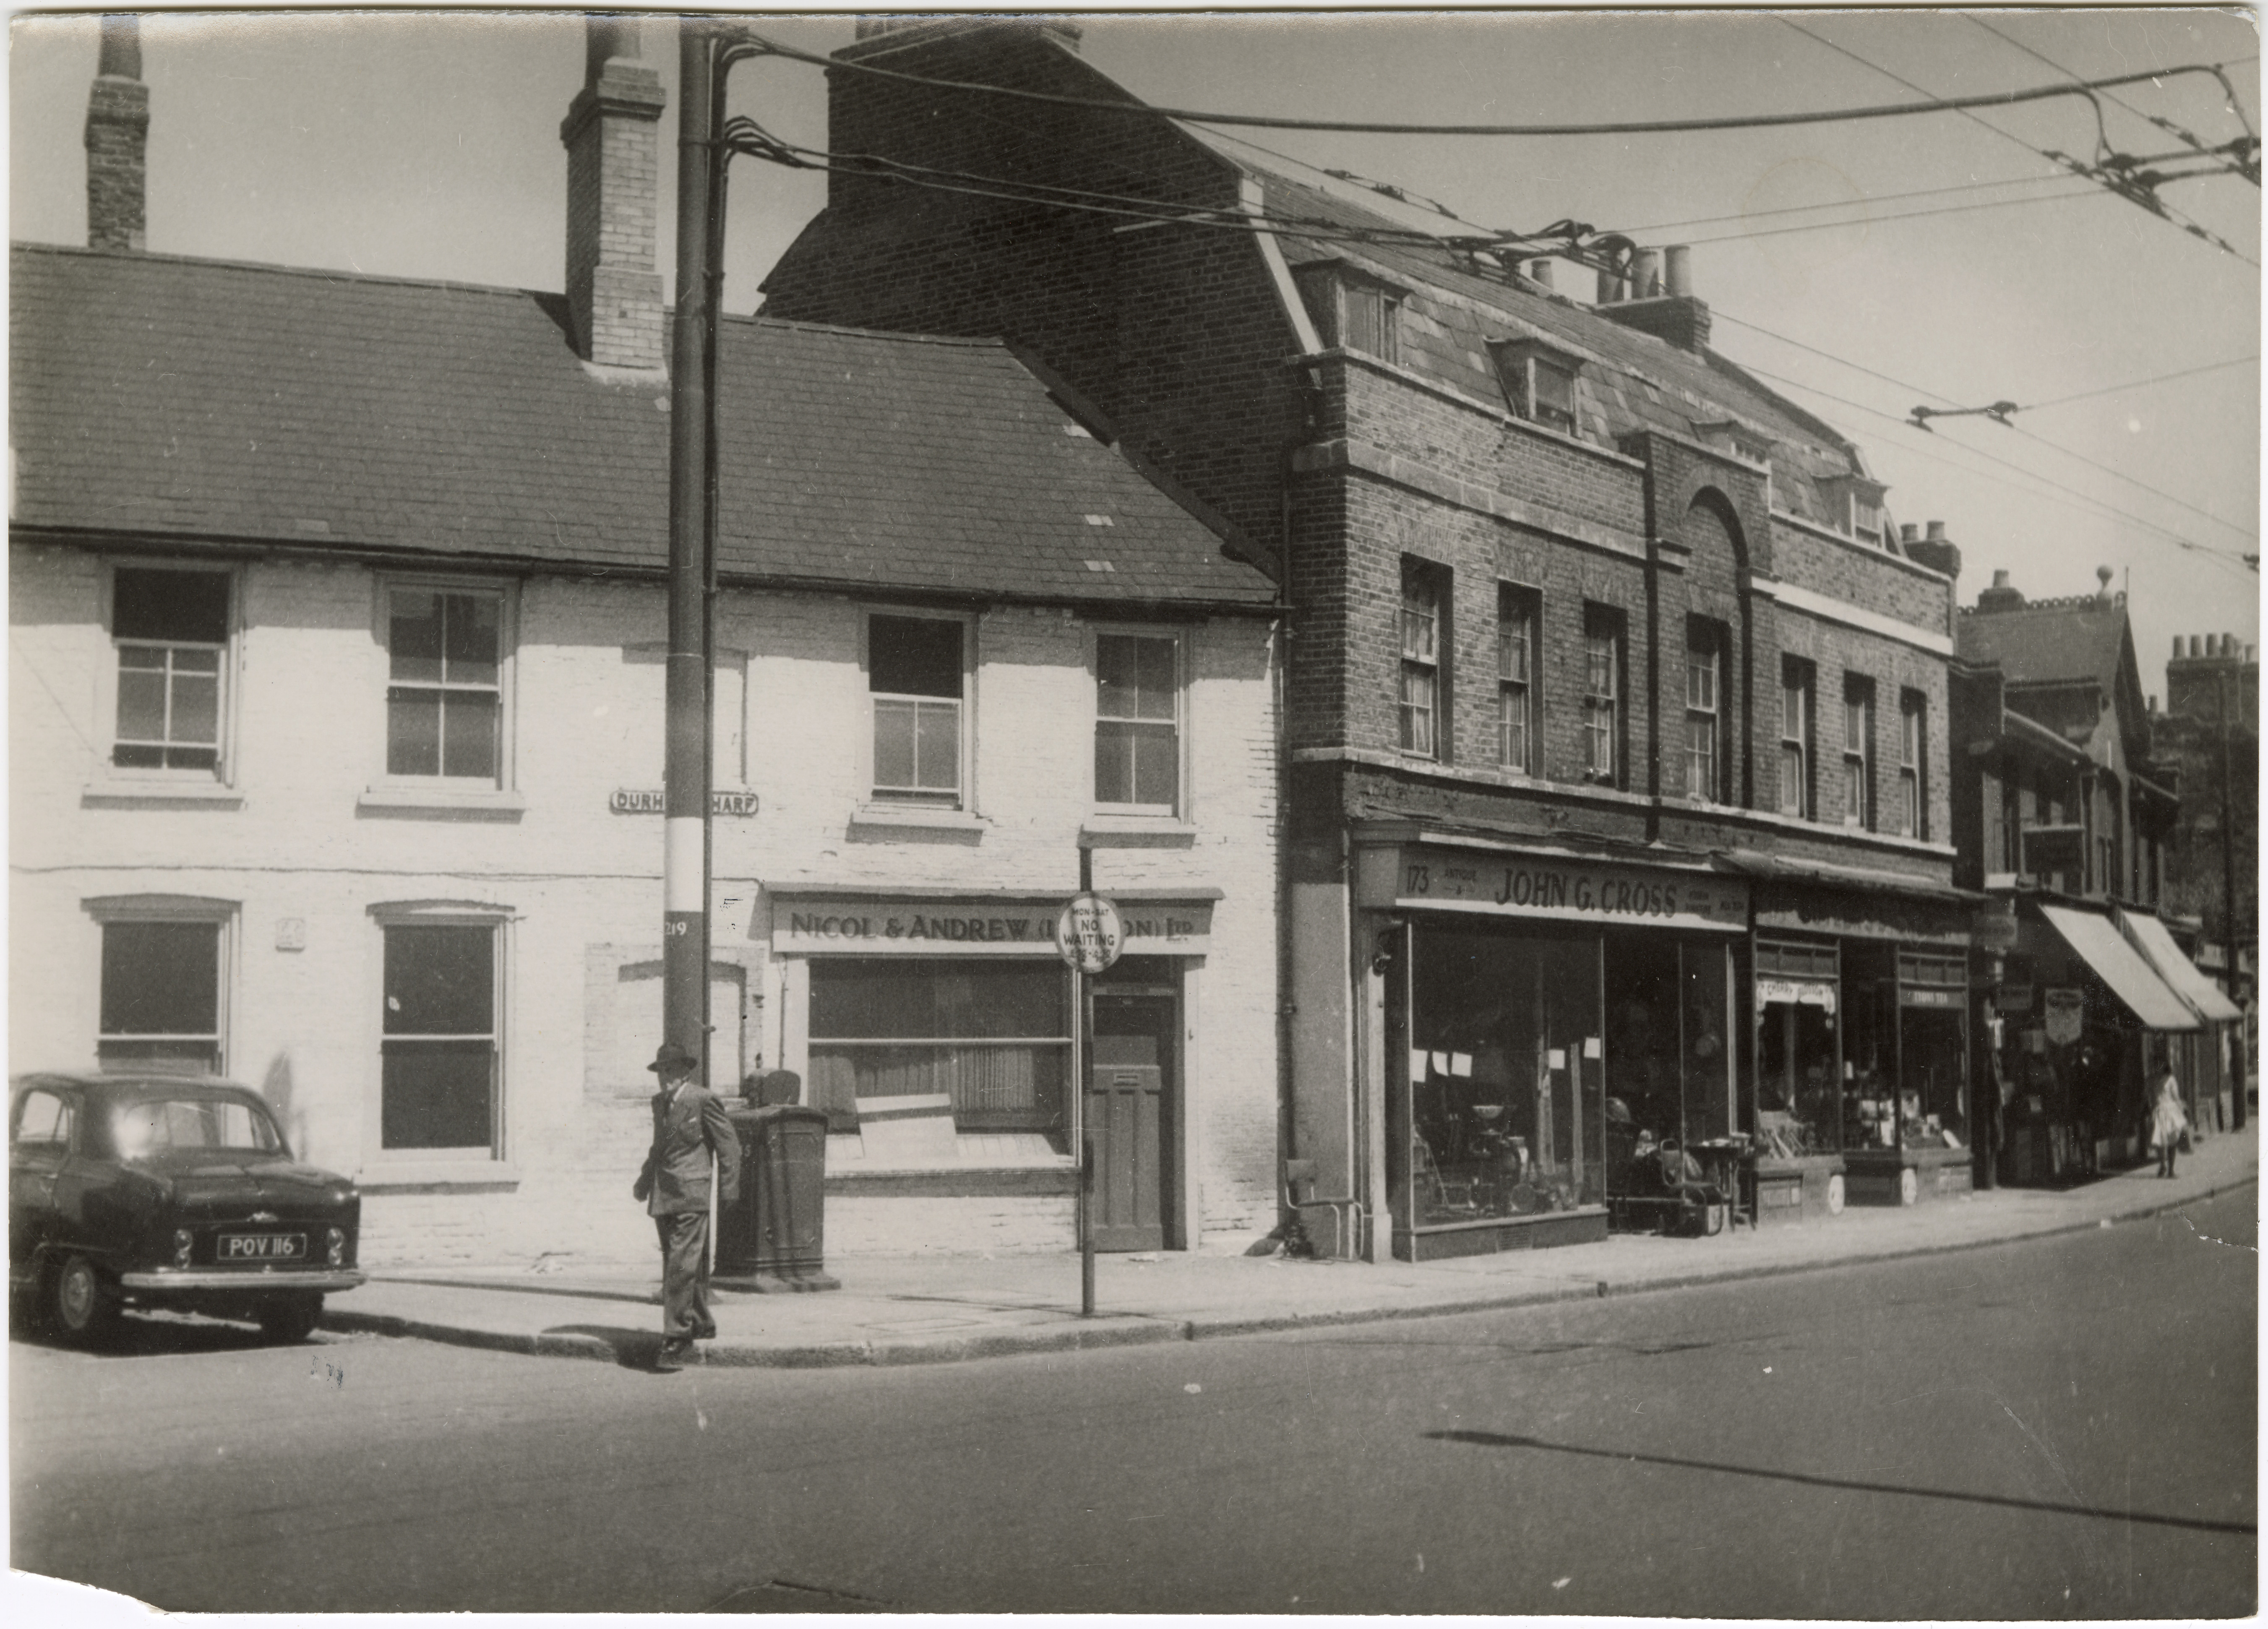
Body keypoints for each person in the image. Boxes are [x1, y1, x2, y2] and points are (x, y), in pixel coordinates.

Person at [632, 1040, 741, 1370]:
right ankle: (701, 1321)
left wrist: (728, 1192)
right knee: (677, 1263)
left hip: (692, 1194)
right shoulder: (659, 1103)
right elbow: (658, 1149)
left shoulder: (703, 1100)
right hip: (663, 1193)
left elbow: (729, 1147)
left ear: (685, 1071)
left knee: (680, 1263)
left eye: (672, 1069)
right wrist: (642, 1181)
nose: (665, 1076)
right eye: (661, 1070)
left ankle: (677, 1338)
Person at [2149, 1057, 2189, 1179]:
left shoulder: (2171, 1080)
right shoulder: (2152, 1080)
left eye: (2160, 1065)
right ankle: (2162, 1166)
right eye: (2156, 1065)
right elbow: (2149, 1097)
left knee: (2172, 1141)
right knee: (2159, 1141)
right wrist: (2151, 1110)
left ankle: (2171, 1170)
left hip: (2171, 1112)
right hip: (2159, 1112)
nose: (2158, 1068)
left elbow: (2176, 1097)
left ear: (2165, 1067)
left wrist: (2182, 1111)